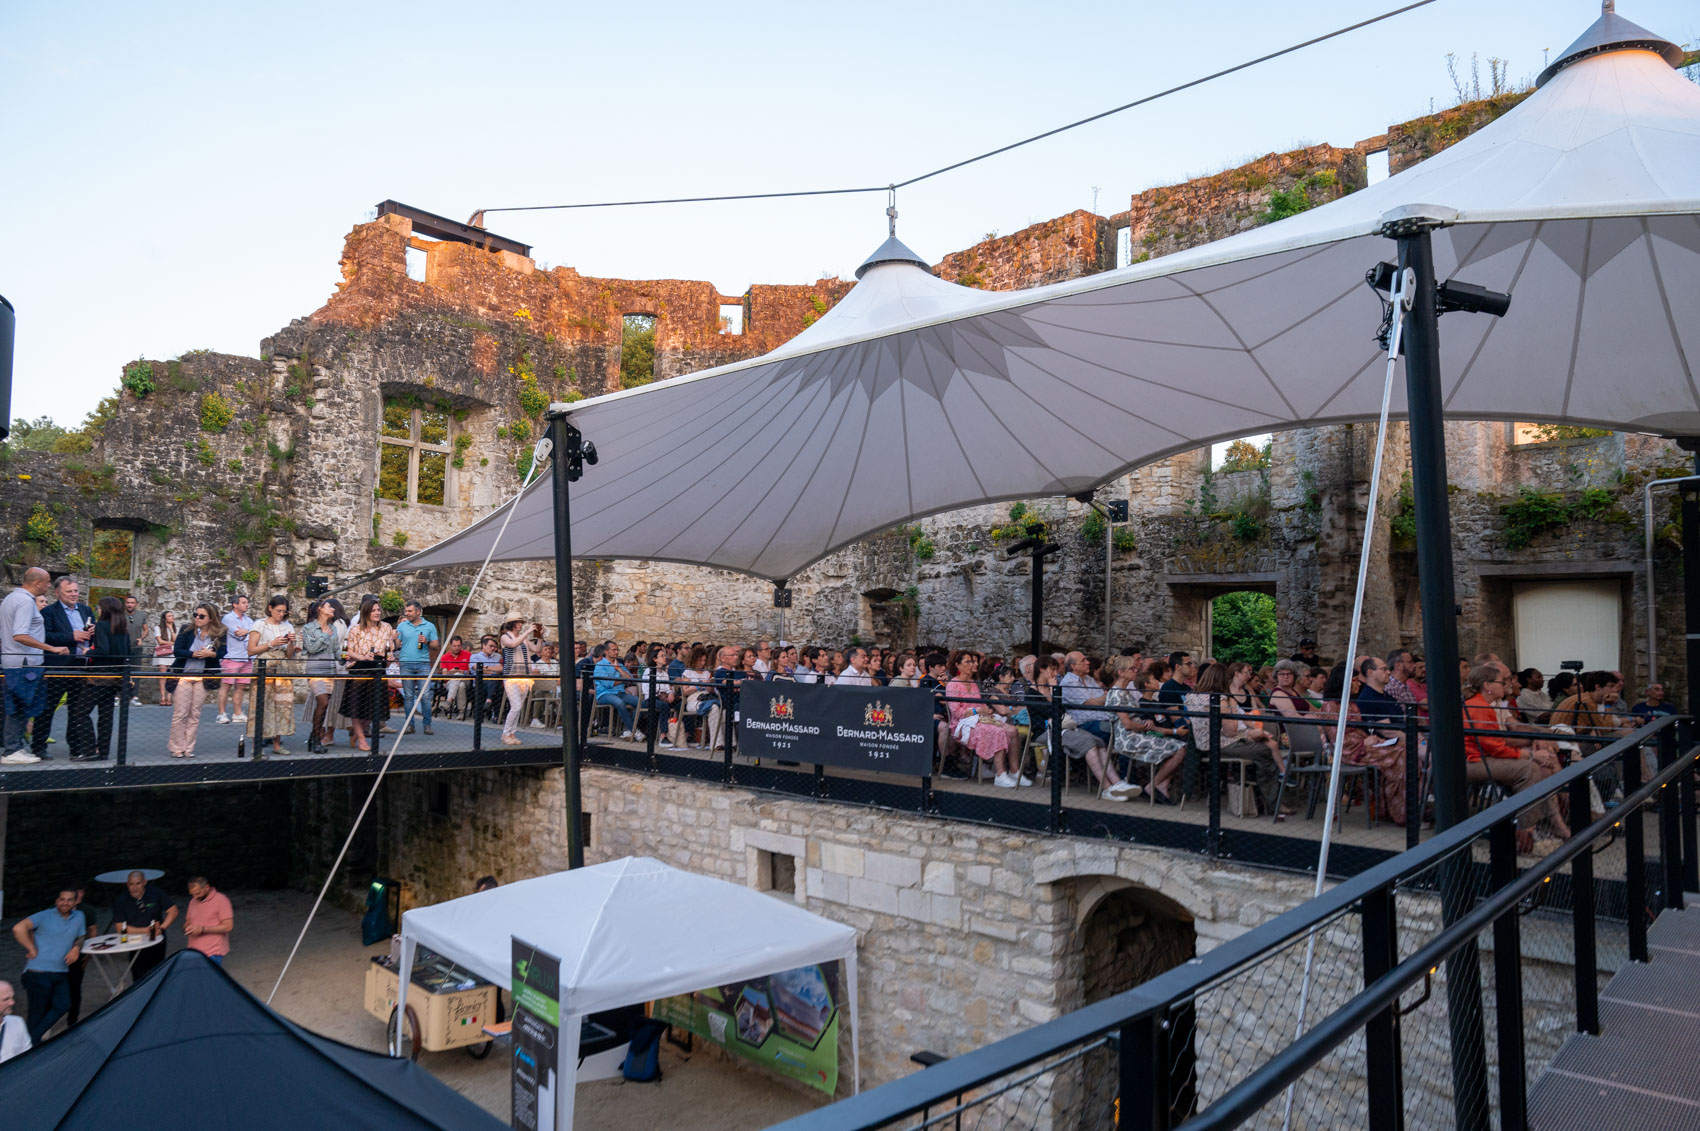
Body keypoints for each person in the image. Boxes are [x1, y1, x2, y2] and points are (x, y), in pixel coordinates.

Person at [1463, 665, 1569, 842]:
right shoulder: (1480, 707)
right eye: (1501, 682)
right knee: (1529, 769)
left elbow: (1495, 744)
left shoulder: (1481, 705)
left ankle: (1549, 822)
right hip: (1473, 762)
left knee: (1538, 763)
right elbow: (1494, 746)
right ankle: (1526, 831)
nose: (1506, 685)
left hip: (1481, 758)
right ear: (1487, 685)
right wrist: (1530, 755)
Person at [1320, 662, 1406, 826]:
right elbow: (1337, 737)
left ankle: (1394, 807)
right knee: (1400, 756)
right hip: (1350, 752)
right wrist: (1364, 742)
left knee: (1403, 750)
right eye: (1354, 681)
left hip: (1362, 747)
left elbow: (1358, 730)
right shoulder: (1331, 706)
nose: (1358, 684)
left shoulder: (1352, 705)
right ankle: (1398, 811)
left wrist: (1375, 740)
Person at [12, 885, 85, 1043]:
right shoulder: (45, 915)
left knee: (63, 1005)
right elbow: (18, 928)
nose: (65, 903)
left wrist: (76, 948)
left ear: (75, 902)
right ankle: (31, 1046)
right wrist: (31, 948)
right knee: (37, 1014)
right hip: (37, 973)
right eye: (62, 899)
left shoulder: (79, 916)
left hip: (60, 972)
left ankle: (31, 1040)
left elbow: (81, 936)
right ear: (56, 901)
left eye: (69, 900)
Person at [36, 576, 96, 761]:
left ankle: (75, 748)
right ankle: (39, 747)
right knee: (47, 707)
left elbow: (92, 635)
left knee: (77, 709)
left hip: (80, 666)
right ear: (57, 592)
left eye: (76, 591)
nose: (74, 594)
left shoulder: (86, 610)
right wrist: (72, 636)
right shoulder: (49, 612)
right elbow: (46, 637)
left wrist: (93, 633)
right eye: (69, 591)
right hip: (58, 666)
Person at [3, 567, 58, 764]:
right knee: (19, 706)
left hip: (13, 661)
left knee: (17, 706)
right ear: (37, 583)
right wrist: (50, 648)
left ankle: (14, 748)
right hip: (24, 663)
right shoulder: (26, 602)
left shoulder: (10, 599)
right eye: (48, 582)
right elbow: (20, 635)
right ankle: (11, 751)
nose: (49, 586)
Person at [946, 650, 1023, 787]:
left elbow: (979, 703)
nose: (971, 664)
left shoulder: (973, 683)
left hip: (979, 718)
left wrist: (985, 710)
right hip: (962, 723)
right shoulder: (953, 684)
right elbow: (956, 712)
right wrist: (977, 710)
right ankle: (1000, 774)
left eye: (972, 661)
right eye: (967, 662)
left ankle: (1014, 770)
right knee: (998, 731)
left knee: (1012, 730)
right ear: (957, 665)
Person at [167, 603, 226, 758]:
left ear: (211, 618)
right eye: (196, 615)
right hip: (184, 674)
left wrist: (211, 654)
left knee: (195, 713)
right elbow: (177, 651)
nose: (197, 618)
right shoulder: (186, 629)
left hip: (202, 676)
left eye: (201, 616)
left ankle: (188, 747)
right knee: (181, 712)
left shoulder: (219, 633)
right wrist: (194, 654)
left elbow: (223, 652)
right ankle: (176, 747)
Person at [246, 595, 299, 756]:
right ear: (270, 608)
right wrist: (271, 644)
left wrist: (291, 643)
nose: (281, 614)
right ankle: (257, 745)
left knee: (282, 704)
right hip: (264, 665)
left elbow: (289, 655)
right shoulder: (260, 624)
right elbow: (251, 650)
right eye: (278, 611)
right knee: (261, 704)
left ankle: (277, 743)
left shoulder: (287, 626)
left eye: (284, 612)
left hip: (282, 665)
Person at [344, 597, 396, 752]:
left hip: (378, 668)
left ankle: (358, 733)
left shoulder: (386, 627)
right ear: (366, 612)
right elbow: (349, 651)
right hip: (360, 668)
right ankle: (361, 738)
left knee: (374, 707)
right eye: (373, 610)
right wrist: (362, 657)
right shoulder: (356, 629)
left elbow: (389, 648)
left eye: (378, 610)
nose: (377, 613)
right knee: (356, 706)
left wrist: (389, 656)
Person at [110, 870, 179, 980]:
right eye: (131, 884)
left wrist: (162, 928)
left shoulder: (156, 893)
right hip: (135, 942)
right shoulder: (121, 900)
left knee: (158, 973)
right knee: (139, 976)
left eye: (138, 883)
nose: (135, 887)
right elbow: (120, 927)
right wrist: (146, 930)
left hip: (156, 939)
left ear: (145, 882)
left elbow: (173, 911)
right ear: (127, 884)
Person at [89, 595, 131, 761]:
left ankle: (89, 748)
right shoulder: (123, 629)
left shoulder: (101, 625)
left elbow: (103, 650)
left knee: (81, 712)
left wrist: (88, 652)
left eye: (98, 608)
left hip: (100, 675)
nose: (97, 611)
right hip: (116, 676)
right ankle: (103, 750)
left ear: (104, 610)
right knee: (106, 715)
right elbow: (127, 653)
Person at [395, 600, 439, 735]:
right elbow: (396, 646)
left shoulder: (429, 626)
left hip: (423, 663)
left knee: (425, 695)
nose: (407, 613)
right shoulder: (402, 626)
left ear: (418, 612)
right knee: (408, 696)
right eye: (406, 611)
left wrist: (426, 642)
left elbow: (436, 646)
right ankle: (410, 725)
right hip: (406, 663)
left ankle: (427, 725)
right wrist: (393, 638)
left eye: (410, 611)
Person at [302, 599, 340, 754]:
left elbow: (336, 649)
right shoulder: (308, 628)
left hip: (330, 668)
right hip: (316, 667)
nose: (333, 609)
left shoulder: (333, 627)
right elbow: (311, 649)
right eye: (329, 606)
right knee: (322, 702)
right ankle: (317, 739)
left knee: (324, 705)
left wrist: (344, 659)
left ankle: (314, 736)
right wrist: (324, 636)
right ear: (320, 609)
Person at [499, 618, 542, 745]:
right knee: (516, 706)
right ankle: (505, 733)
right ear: (512, 624)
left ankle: (512, 733)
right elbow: (513, 644)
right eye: (518, 623)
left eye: (521, 623)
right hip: (511, 676)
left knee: (519, 707)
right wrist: (528, 632)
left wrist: (540, 637)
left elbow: (536, 649)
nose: (520, 625)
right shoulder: (505, 637)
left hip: (524, 675)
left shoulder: (523, 638)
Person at [216, 593, 255, 724]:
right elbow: (239, 634)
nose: (247, 605)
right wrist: (249, 632)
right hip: (232, 657)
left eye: (247, 603)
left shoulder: (249, 620)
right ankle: (221, 714)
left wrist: (247, 631)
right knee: (226, 685)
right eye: (244, 602)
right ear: (235, 604)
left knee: (241, 686)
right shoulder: (228, 619)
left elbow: (256, 634)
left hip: (246, 657)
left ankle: (237, 713)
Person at [1059, 651, 1114, 743]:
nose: (1088, 662)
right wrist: (1108, 696)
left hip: (1103, 720)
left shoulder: (1089, 679)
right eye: (1083, 660)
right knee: (1119, 731)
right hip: (1085, 725)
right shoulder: (1069, 683)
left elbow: (1103, 700)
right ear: (1074, 666)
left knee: (1125, 728)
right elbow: (1093, 703)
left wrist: (1103, 698)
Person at [591, 640, 638, 740]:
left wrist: (618, 669)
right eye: (614, 650)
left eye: (617, 650)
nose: (616, 652)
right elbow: (608, 684)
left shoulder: (619, 665)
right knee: (620, 703)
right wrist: (622, 680)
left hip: (620, 693)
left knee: (640, 703)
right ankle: (635, 731)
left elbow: (630, 678)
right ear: (606, 652)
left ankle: (628, 730)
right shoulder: (600, 665)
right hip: (604, 694)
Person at [183, 876, 234, 965]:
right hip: (194, 950)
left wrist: (203, 929)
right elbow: (188, 922)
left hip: (213, 951)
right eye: (192, 894)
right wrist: (187, 928)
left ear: (207, 887)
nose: (195, 897)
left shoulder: (221, 900)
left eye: (198, 893)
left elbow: (228, 926)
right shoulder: (193, 901)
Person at [471, 635, 505, 724]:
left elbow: (501, 669)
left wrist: (485, 668)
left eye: (494, 647)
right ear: (484, 645)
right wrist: (492, 669)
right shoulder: (474, 656)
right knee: (493, 679)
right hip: (480, 683)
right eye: (491, 646)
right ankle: (492, 708)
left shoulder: (498, 656)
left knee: (494, 680)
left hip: (494, 683)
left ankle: (489, 701)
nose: (493, 648)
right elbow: (477, 668)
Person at [149, 610, 178, 707]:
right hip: (162, 653)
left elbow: (176, 640)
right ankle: (163, 697)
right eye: (169, 616)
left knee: (171, 676)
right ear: (164, 619)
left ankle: (169, 697)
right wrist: (172, 643)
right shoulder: (158, 628)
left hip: (172, 654)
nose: (172, 617)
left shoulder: (175, 628)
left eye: (172, 615)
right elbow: (160, 641)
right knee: (163, 675)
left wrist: (171, 629)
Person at [439, 635, 471, 719]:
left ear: (461, 646)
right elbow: (444, 676)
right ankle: (461, 712)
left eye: (458, 646)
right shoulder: (445, 657)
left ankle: (449, 701)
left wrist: (462, 672)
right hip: (450, 682)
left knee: (459, 676)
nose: (456, 648)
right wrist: (450, 672)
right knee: (460, 686)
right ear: (451, 646)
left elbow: (471, 672)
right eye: (454, 646)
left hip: (465, 679)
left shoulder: (468, 655)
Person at [0, 979, 29, 1062]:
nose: (12, 1002)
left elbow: (28, 1057)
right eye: (6, 999)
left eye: (12, 997)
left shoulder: (18, 1022)